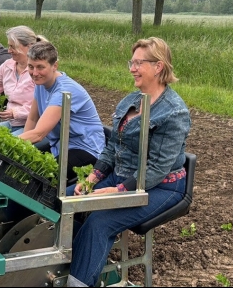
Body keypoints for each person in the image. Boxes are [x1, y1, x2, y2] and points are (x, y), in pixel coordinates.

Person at [67, 37, 191, 287]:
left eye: (138, 62)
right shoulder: (130, 100)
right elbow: (113, 145)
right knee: (66, 200)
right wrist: (94, 177)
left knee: (99, 223)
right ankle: (68, 265)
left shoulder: (174, 112)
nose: (132, 68)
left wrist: (121, 190)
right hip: (123, 175)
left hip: (161, 186)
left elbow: (158, 168)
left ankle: (77, 282)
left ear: (158, 66)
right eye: (131, 62)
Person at [18, 41, 105, 181]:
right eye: (30, 66)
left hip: (85, 149)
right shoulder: (41, 84)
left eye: (40, 67)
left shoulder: (64, 91)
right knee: (20, 165)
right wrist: (22, 148)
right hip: (60, 145)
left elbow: (39, 134)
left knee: (38, 177)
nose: (35, 73)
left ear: (55, 66)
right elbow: (32, 119)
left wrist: (7, 143)